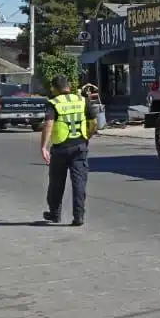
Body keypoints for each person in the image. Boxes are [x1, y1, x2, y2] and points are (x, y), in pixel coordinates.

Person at [40, 75, 95, 225]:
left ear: (55, 88)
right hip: (80, 146)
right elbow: (94, 122)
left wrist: (44, 146)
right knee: (79, 182)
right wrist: (87, 136)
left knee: (56, 183)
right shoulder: (82, 100)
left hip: (60, 149)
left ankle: (55, 214)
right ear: (69, 87)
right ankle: (79, 216)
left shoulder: (53, 103)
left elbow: (49, 124)